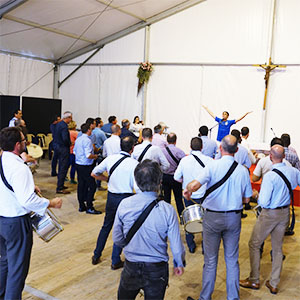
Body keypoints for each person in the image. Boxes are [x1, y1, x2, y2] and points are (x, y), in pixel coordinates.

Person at [184, 135, 252, 300]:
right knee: (232, 260)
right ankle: (233, 297)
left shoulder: (212, 166)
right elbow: (247, 199)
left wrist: (188, 190)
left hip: (212, 218)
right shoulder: (243, 171)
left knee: (211, 260)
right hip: (233, 218)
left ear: (220, 149)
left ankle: (205, 297)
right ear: (236, 150)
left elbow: (194, 186)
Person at [0, 127, 62, 300]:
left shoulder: (3, 160)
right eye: (23, 140)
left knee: (4, 262)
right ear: (17, 145)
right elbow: (27, 201)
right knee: (17, 270)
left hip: (2, 219)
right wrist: (51, 203)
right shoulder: (20, 169)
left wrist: (26, 187)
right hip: (16, 223)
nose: (26, 142)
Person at [113, 159, 185, 300]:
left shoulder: (124, 204)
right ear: (160, 182)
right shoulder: (168, 210)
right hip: (156, 269)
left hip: (131, 265)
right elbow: (177, 246)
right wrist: (179, 263)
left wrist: (128, 246)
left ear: (137, 182)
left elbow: (117, 238)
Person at [240, 145, 300, 295]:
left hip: (269, 214)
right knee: (278, 248)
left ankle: (254, 279)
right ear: (284, 156)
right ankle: (274, 283)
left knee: (254, 244)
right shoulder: (293, 171)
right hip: (284, 212)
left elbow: (264, 202)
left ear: (271, 157)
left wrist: (255, 195)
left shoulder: (270, 176)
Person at [91, 136, 138, 269]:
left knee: (106, 226)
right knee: (121, 229)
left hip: (111, 197)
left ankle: (96, 254)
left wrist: (106, 179)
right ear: (132, 148)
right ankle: (115, 260)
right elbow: (137, 186)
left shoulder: (110, 159)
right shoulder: (134, 164)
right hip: (126, 198)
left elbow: (94, 173)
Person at [174, 137, 213, 254]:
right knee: (205, 220)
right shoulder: (209, 160)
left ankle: (191, 245)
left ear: (190, 147)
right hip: (204, 195)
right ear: (202, 147)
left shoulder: (184, 160)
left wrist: (186, 183)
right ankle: (205, 248)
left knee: (189, 219)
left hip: (188, 195)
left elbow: (176, 177)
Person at [73, 123, 101, 214]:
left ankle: (81, 205)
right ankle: (90, 206)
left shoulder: (78, 139)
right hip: (86, 165)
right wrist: (95, 156)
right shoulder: (87, 141)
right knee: (92, 186)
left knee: (81, 185)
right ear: (88, 130)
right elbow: (88, 155)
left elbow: (74, 152)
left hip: (78, 164)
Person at [161, 133, 186, 216]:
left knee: (166, 198)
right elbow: (184, 163)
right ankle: (181, 217)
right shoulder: (179, 151)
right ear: (175, 141)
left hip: (165, 176)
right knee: (178, 198)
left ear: (167, 141)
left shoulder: (162, 151)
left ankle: (166, 216)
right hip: (176, 177)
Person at [54, 111, 72, 194]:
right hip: (63, 148)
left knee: (61, 166)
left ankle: (60, 184)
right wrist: (69, 144)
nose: (71, 120)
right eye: (70, 118)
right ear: (67, 118)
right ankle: (60, 187)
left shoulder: (58, 124)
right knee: (63, 167)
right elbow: (65, 138)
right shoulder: (64, 126)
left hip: (57, 147)